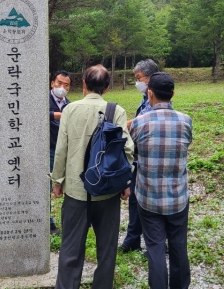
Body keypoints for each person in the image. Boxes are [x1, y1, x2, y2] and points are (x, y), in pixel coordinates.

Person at [51, 64, 134, 289]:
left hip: (76, 192)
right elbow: (127, 150)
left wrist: (57, 181)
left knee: (70, 249)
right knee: (106, 251)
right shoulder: (116, 111)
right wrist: (126, 183)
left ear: (84, 84)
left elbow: (61, 150)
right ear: (107, 88)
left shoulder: (70, 110)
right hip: (107, 192)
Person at [130, 72, 192, 289]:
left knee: (155, 249)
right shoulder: (186, 121)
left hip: (149, 198)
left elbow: (132, 149)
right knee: (178, 246)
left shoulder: (139, 123)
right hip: (178, 198)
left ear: (149, 94)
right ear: (172, 93)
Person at [120, 59, 161, 253]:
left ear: (151, 78)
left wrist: (119, 124)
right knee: (135, 199)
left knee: (151, 202)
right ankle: (132, 240)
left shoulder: (158, 99)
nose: (137, 83)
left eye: (139, 78)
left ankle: (156, 243)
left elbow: (141, 121)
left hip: (152, 159)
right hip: (139, 157)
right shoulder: (145, 98)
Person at [49, 70, 71, 235]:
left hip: (63, 151)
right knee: (46, 185)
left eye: (66, 85)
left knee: (66, 184)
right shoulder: (43, 100)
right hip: (47, 149)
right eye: (59, 83)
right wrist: (56, 115)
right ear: (52, 83)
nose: (62, 87)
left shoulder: (69, 104)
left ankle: (68, 221)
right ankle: (48, 222)